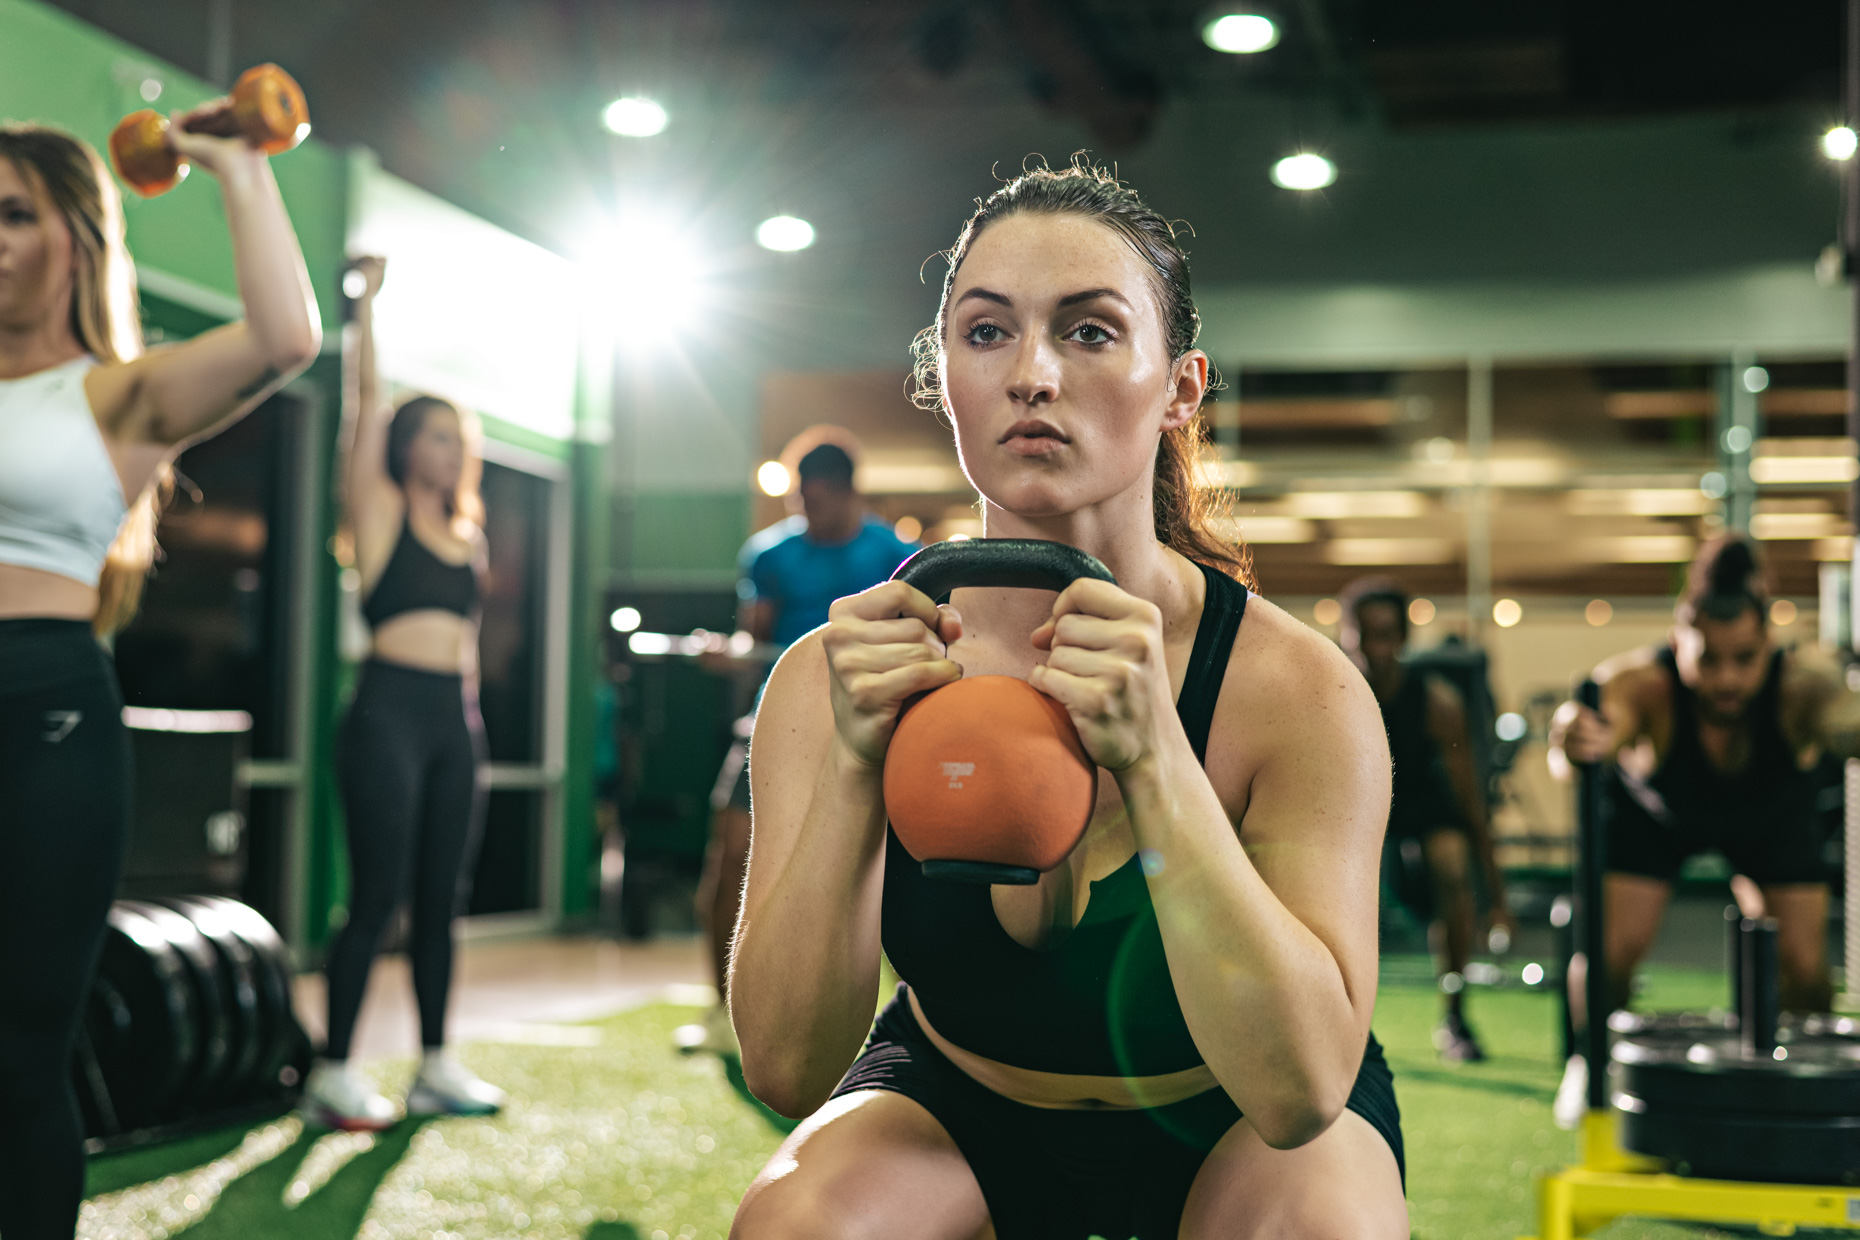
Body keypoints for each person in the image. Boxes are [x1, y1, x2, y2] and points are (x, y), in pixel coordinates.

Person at [728, 159, 1406, 1239]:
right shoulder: (835, 671)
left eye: (1088, 331)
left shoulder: (1297, 689)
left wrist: (1154, 759)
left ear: (1181, 386)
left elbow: (1300, 1091)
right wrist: (859, 764)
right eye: (987, 331)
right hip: (966, 1104)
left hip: (1233, 1118)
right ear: (941, 369)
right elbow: (785, 1064)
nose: (1031, 373)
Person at [0, 120, 319, 1239]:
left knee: (21, 1053)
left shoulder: (116, 397)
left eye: (14, 214)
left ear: (77, 242)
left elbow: (286, 337)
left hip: (40, 711)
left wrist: (238, 166)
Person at [1549, 533, 1858, 1117]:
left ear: (1768, 643)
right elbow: (1592, 729)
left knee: (1804, 968)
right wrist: (1576, 738)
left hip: (1772, 818)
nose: (1726, 680)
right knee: (1612, 951)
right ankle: (1588, 1061)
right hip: (1657, 817)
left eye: (1744, 659)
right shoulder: (1646, 683)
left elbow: (1844, 719)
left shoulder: (1802, 687)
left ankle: (1803, 1091)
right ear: (1677, 641)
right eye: (1708, 659)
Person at [304, 255, 504, 1129]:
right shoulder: (378, 512)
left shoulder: (467, 528)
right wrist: (367, 312)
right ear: (401, 448)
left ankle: (434, 1065)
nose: (445, 449)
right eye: (429, 435)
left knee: (441, 902)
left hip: (454, 722)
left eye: (454, 437)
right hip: (385, 711)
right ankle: (332, 1071)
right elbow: (363, 406)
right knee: (377, 894)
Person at [684, 435, 916, 1057]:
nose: (808, 511)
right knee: (728, 857)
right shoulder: (769, 555)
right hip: (777, 718)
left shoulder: (896, 554)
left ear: (848, 494)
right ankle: (721, 1014)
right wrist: (726, 655)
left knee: (900, 876)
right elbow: (750, 642)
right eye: (800, 500)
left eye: (819, 500)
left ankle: (910, 1021)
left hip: (877, 724)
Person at [1339, 576, 1515, 1063]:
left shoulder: (1438, 704)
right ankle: (1341, 1021)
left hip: (1416, 804)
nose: (1375, 647)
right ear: (1346, 635)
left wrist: (1497, 899)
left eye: (1386, 634)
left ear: (1402, 639)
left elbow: (1471, 807)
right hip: (1351, 807)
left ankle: (1455, 1015)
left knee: (1451, 858)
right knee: (1339, 877)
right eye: (1364, 634)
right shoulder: (1329, 695)